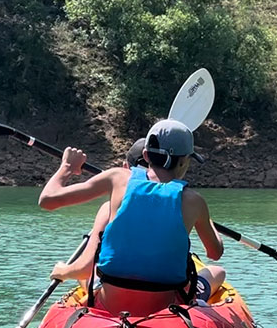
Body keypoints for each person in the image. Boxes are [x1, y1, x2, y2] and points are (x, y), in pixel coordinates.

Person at [39, 120, 225, 315]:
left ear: (146, 155)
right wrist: (205, 219)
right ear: (184, 161)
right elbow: (215, 252)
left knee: (91, 274)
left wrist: (67, 167)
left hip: (111, 302)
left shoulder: (117, 178)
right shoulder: (194, 201)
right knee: (217, 272)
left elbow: (47, 200)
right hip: (165, 308)